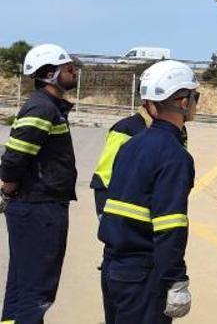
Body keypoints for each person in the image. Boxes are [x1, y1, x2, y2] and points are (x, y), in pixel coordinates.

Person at [98, 59, 198, 323]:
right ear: (183, 102)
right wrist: (176, 279)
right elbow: (170, 225)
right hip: (144, 273)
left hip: (113, 267)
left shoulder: (130, 145)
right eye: (195, 96)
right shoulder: (175, 156)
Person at [1, 43, 79, 323]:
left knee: (22, 286)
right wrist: (8, 187)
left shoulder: (49, 107)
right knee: (37, 291)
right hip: (39, 208)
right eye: (69, 68)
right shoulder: (41, 108)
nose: (75, 72)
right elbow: (13, 158)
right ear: (49, 74)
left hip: (37, 206)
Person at [91, 98, 160, 217]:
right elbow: (104, 177)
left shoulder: (177, 132)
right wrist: (104, 215)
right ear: (150, 101)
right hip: (126, 221)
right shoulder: (125, 129)